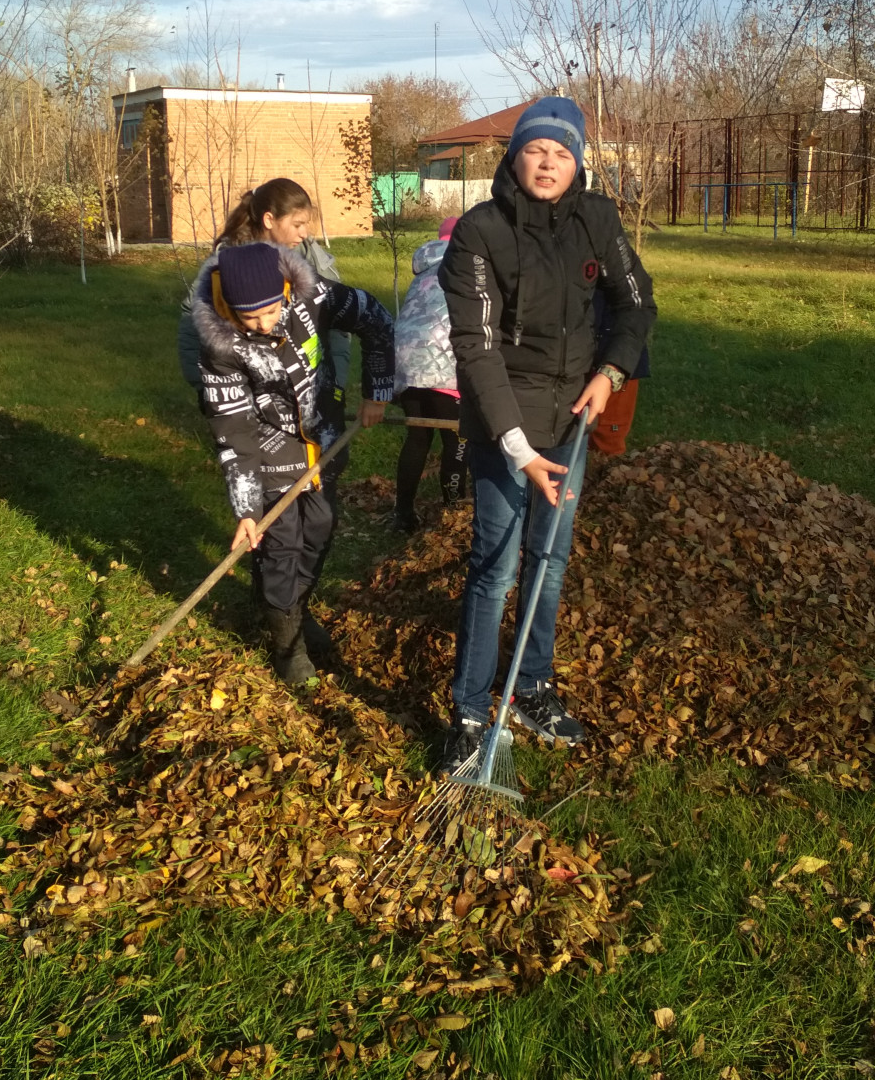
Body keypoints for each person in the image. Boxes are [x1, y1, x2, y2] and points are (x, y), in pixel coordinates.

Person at [437, 96, 656, 770]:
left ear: (577, 163)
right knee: (496, 566)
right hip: (504, 417)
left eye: (562, 153)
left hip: (572, 416)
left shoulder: (597, 219)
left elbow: (636, 302)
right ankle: (470, 711)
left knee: (550, 559)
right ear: (514, 156)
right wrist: (517, 449)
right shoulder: (479, 233)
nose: (548, 163)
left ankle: (531, 686)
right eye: (536, 149)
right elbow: (476, 350)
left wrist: (611, 372)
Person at [191, 239, 394, 682]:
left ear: (285, 288)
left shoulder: (314, 295)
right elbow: (234, 431)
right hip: (269, 448)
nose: (264, 324)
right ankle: (288, 647)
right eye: (250, 317)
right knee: (281, 545)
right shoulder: (220, 347)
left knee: (319, 529)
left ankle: (293, 610)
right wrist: (247, 510)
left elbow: (376, 318)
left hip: (323, 440)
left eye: (271, 310)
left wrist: (377, 392)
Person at [178, 177, 349, 398]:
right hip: (252, 395)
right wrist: (205, 389)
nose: (304, 233)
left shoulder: (312, 259)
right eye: (297, 225)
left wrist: (336, 384)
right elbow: (192, 319)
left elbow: (339, 323)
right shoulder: (228, 263)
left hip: (313, 392)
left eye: (306, 224)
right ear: (269, 220)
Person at [392, 217, 468, 532]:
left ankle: (403, 515)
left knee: (418, 438)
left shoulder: (424, 270)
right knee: (457, 440)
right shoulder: (466, 265)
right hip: (443, 364)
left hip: (407, 361)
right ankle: (454, 515)